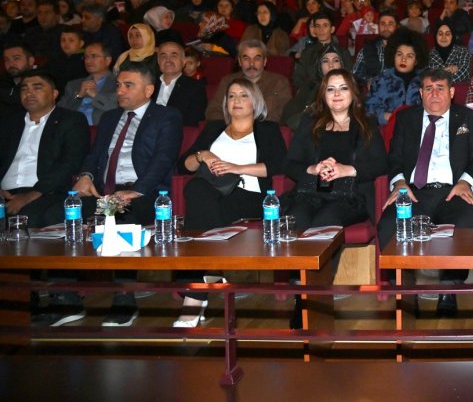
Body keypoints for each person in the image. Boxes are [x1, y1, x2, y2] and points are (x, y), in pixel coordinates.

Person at [72, 60, 183, 327]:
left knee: (121, 218)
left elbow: (163, 159)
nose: (120, 91)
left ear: (148, 90)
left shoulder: (167, 116)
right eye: (119, 84)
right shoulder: (110, 118)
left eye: (128, 85)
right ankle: (62, 297)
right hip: (104, 192)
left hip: (146, 192)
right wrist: (86, 176)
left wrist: (137, 190)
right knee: (64, 213)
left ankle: (124, 299)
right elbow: (95, 155)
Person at [176, 78, 286, 327]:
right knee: (195, 188)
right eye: (232, 96)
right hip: (212, 194)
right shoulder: (214, 129)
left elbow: (278, 166)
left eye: (243, 95)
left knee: (201, 205)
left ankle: (197, 291)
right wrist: (203, 155)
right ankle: (209, 274)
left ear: (255, 102)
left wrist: (236, 168)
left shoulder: (267, 129)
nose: (237, 100)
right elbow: (183, 165)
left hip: (250, 195)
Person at [378, 68, 473, 316]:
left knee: (466, 220)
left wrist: (465, 182)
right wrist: (399, 183)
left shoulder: (467, 118)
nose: (434, 94)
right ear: (421, 93)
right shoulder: (406, 119)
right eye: (429, 88)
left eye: (440, 88)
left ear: (452, 92)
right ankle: (405, 292)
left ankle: (449, 290)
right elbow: (393, 158)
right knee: (389, 224)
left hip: (452, 192)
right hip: (413, 193)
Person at [1, 70, 90, 328]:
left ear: (54, 94)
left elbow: (69, 163)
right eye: (24, 88)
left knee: (35, 217)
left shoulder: (71, 120)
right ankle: (16, 301)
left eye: (37, 87)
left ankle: (65, 300)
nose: (29, 92)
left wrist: (29, 196)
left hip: (48, 191)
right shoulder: (8, 123)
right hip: (6, 193)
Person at [285, 69, 387, 231]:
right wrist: (313, 168)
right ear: (323, 95)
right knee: (295, 219)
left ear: (353, 93)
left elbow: (381, 164)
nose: (337, 93)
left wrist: (347, 170)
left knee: (325, 220)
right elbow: (289, 164)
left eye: (343, 88)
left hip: (350, 196)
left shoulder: (367, 124)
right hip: (310, 192)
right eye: (331, 89)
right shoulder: (309, 123)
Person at [205, 39, 292, 123]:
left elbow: (284, 114)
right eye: (246, 58)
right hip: (231, 128)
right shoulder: (228, 81)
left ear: (265, 61)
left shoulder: (279, 82)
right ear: (240, 61)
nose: (251, 63)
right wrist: (235, 123)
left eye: (257, 58)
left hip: (264, 129)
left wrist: (250, 123)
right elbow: (212, 111)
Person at [366, 28, 428, 126]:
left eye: (409, 56)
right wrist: (383, 117)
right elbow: (368, 110)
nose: (403, 59)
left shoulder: (425, 81)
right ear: (393, 56)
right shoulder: (380, 80)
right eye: (399, 54)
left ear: (416, 60)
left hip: (418, 128)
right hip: (387, 129)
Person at [59, 42, 118, 126]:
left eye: (94, 56)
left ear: (108, 60)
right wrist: (79, 96)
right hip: (72, 128)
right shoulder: (73, 85)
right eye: (86, 57)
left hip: (100, 129)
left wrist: (95, 95)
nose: (88, 61)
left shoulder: (118, 84)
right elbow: (60, 111)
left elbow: (116, 109)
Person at [154, 41, 207, 127]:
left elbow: (194, 120)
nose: (168, 60)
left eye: (173, 56)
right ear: (158, 61)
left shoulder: (195, 87)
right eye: (163, 56)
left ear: (183, 61)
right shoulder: (148, 83)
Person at [0, 43, 35, 116]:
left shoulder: (44, 79)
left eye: (16, 58)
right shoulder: (4, 80)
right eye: (6, 60)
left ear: (30, 61)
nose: (11, 64)